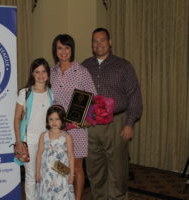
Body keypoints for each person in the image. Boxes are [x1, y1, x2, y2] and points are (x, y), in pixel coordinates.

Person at [82, 27, 143, 200]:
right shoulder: (85, 65)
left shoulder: (123, 66)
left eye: (102, 40)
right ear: (92, 44)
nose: (98, 44)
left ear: (110, 42)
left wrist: (129, 123)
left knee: (118, 170)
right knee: (94, 168)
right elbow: (80, 95)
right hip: (92, 125)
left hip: (117, 123)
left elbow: (134, 96)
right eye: (95, 41)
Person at [50, 34, 97, 200]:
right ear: (55, 51)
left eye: (67, 47)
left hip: (77, 128)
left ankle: (77, 198)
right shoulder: (52, 72)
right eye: (60, 48)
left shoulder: (81, 71)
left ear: (72, 50)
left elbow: (94, 98)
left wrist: (86, 120)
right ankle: (63, 195)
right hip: (57, 128)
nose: (63, 51)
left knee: (76, 167)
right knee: (59, 164)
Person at [13, 58, 53, 199]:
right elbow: (17, 118)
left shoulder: (51, 94)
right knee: (30, 177)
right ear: (32, 73)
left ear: (48, 73)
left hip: (47, 142)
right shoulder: (25, 93)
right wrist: (18, 141)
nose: (41, 75)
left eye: (43, 71)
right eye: (37, 72)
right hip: (29, 142)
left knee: (44, 174)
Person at [35, 105, 74, 200]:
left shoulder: (67, 137)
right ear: (47, 120)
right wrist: (37, 172)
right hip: (46, 173)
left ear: (62, 120)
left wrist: (71, 174)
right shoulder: (43, 136)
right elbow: (39, 154)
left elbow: (71, 156)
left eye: (57, 119)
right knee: (47, 194)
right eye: (51, 119)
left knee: (60, 194)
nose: (54, 122)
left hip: (62, 173)